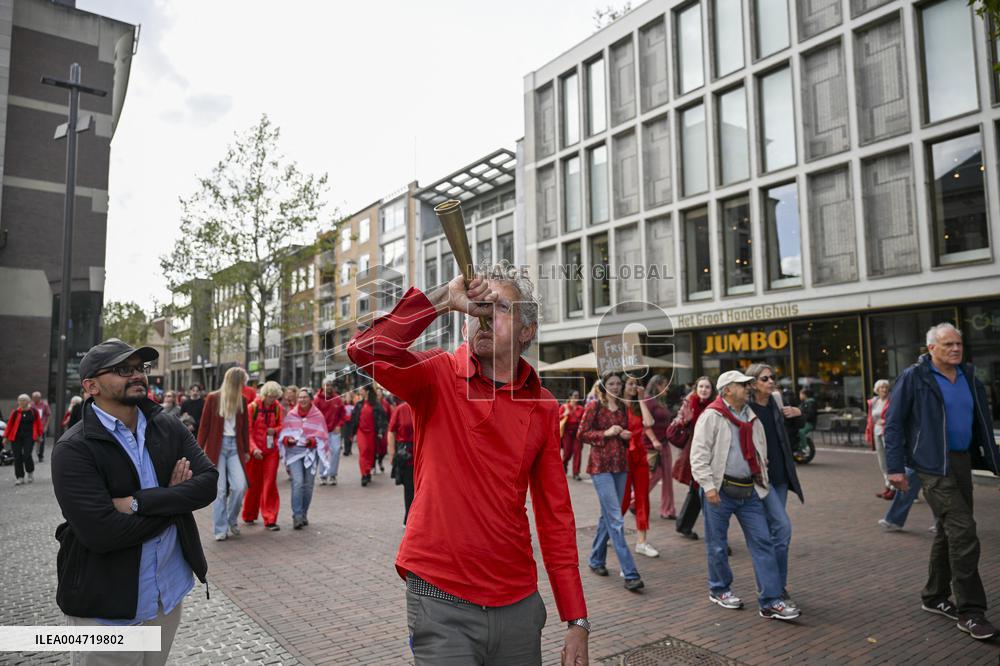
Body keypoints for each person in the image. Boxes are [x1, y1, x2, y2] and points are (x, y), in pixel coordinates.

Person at [347, 263, 589, 665]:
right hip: (441, 597)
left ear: (527, 331)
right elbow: (364, 350)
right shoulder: (438, 375)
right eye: (477, 307)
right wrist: (444, 299)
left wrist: (576, 618)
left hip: (517, 603)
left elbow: (555, 517)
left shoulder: (543, 405)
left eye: (499, 308)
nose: (483, 315)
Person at [51, 339, 218, 665]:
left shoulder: (166, 425)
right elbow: (102, 533)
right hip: (107, 606)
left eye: (139, 368)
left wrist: (139, 502)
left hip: (166, 596)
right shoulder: (74, 448)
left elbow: (207, 483)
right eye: (122, 370)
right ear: (91, 386)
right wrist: (176, 502)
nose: (137, 375)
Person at [884, 322, 1000, 640]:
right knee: (964, 532)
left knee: (949, 534)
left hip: (961, 461)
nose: (955, 349)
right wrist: (894, 469)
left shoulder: (969, 378)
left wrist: (993, 460)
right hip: (932, 465)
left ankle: (934, 596)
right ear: (931, 348)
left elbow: (983, 423)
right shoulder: (915, 377)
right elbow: (892, 424)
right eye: (948, 344)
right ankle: (971, 612)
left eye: (958, 344)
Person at [690, 370, 798, 621]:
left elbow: (760, 449)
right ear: (727, 389)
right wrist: (708, 487)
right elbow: (699, 455)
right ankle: (719, 589)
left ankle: (771, 600)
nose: (747, 388)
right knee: (717, 545)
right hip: (719, 491)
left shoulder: (751, 416)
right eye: (742, 385)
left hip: (749, 490)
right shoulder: (712, 416)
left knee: (763, 541)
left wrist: (761, 468)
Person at [579, 372, 645, 591]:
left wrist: (624, 435)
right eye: (612, 383)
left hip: (621, 466)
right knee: (616, 519)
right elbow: (582, 434)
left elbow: (628, 436)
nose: (616, 387)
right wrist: (606, 433)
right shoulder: (594, 407)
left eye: (619, 383)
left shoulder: (625, 408)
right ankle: (630, 572)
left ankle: (596, 559)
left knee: (608, 515)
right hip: (601, 468)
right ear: (604, 385)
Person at [746, 363, 805, 610]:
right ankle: (774, 588)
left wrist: (798, 416)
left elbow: (789, 437)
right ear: (752, 383)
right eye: (764, 378)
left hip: (780, 477)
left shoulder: (776, 403)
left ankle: (775, 586)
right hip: (761, 479)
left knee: (774, 534)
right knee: (781, 528)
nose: (771, 382)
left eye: (772, 377)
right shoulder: (746, 408)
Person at [197, 368, 251, 542]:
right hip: (216, 448)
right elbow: (204, 426)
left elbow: (245, 429)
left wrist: (246, 450)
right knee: (219, 491)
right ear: (236, 382)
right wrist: (197, 450)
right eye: (242, 382)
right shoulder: (213, 398)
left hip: (235, 447)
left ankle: (231, 519)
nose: (244, 386)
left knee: (240, 486)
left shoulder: (242, 400)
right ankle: (220, 529)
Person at [667, 377, 714, 540]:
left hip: (712, 453)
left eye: (707, 387)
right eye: (701, 386)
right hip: (695, 454)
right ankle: (712, 535)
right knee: (701, 490)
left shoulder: (715, 405)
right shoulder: (689, 404)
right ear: (696, 388)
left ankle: (684, 525)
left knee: (697, 490)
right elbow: (674, 429)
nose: (704, 390)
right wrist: (684, 421)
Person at [279, 387, 328, 529]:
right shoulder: (291, 415)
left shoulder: (318, 416)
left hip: (310, 454)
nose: (302, 400)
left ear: (311, 399)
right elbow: (284, 435)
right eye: (300, 397)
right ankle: (297, 516)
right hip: (294, 453)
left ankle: (304, 513)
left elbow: (323, 437)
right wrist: (288, 440)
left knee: (308, 485)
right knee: (298, 482)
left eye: (305, 397)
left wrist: (312, 442)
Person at [620, 377, 658, 558]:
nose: (634, 387)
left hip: (640, 457)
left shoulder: (638, 405)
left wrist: (642, 399)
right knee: (624, 498)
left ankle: (642, 542)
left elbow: (649, 423)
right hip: (623, 459)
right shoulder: (617, 406)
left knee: (643, 498)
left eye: (636, 384)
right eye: (630, 384)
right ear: (623, 386)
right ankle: (612, 531)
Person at [242, 381, 284, 531]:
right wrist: (253, 450)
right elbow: (248, 432)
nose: (272, 400)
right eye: (270, 397)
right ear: (265, 394)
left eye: (275, 397)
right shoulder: (252, 408)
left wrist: (276, 430)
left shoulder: (277, 408)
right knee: (253, 484)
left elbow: (282, 426)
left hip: (271, 452)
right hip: (256, 453)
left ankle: (270, 518)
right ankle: (249, 514)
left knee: (270, 483)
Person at [643, 373, 675, 520]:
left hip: (665, 444)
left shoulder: (661, 401)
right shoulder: (648, 401)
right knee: (654, 476)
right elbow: (645, 424)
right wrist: (654, 440)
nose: (667, 387)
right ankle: (633, 501)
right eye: (665, 384)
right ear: (657, 385)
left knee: (667, 477)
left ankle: (668, 510)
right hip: (652, 445)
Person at [346, 385, 387, 486]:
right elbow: (354, 419)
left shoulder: (376, 405)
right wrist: (352, 433)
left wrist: (381, 431)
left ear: (367, 392)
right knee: (363, 451)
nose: (360, 391)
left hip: (373, 433)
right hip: (361, 432)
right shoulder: (359, 404)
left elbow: (383, 419)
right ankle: (364, 474)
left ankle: (368, 470)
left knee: (370, 452)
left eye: (362, 390)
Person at [3, 394, 43, 485]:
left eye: (23, 400)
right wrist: (5, 437)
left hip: (29, 436)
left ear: (28, 401)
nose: (21, 402)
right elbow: (9, 425)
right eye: (20, 400)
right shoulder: (15, 412)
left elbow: (38, 424)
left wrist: (40, 435)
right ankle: (20, 477)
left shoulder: (33, 411)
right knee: (17, 457)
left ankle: (30, 472)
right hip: (16, 437)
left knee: (27, 454)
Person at [314, 379, 346, 486]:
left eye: (330, 385)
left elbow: (343, 414)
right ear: (322, 386)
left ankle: (332, 475)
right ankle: (323, 475)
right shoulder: (317, 399)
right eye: (326, 385)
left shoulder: (337, 399)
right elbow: (313, 415)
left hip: (334, 431)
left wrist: (339, 425)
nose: (329, 387)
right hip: (321, 431)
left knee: (336, 451)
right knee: (323, 453)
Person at [388, 399, 415, 525]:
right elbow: (391, 431)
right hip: (407, 455)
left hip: (424, 455)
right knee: (409, 487)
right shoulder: (401, 409)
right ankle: (409, 517)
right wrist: (392, 453)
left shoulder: (425, 407)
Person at [866, 379, 893, 499]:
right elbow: (870, 418)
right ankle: (888, 486)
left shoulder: (892, 401)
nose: (884, 389)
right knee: (882, 462)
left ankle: (893, 488)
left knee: (891, 460)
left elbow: (897, 417)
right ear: (877, 390)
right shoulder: (874, 402)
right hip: (877, 433)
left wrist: (886, 422)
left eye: (886, 387)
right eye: (882, 388)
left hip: (888, 433)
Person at [559, 391, 585, 480]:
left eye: (578, 396)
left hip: (577, 433)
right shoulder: (564, 407)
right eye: (574, 396)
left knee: (578, 453)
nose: (576, 398)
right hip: (567, 433)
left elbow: (584, 421)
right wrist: (564, 414)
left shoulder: (581, 408)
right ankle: (564, 466)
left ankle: (576, 473)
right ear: (570, 397)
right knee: (567, 453)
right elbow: (556, 418)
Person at [31, 391, 50, 462]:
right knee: (31, 441)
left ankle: (40, 455)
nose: (34, 399)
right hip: (32, 427)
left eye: (35, 397)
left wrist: (46, 426)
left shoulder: (44, 405)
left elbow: (48, 416)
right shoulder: (31, 405)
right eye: (33, 397)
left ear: (39, 398)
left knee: (41, 442)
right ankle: (29, 455)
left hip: (42, 427)